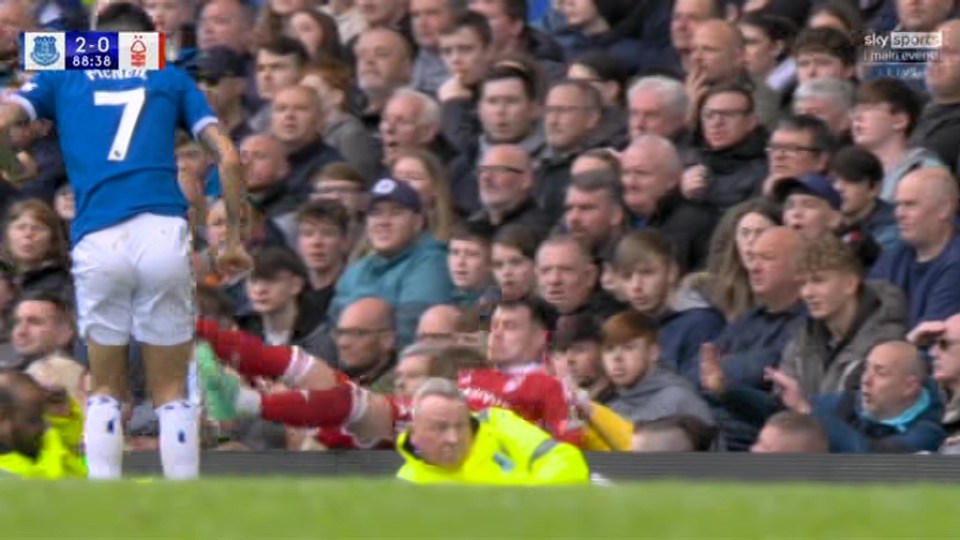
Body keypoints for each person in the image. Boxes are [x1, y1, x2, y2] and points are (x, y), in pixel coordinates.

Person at [0, 3, 249, 479]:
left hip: (99, 234)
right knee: (172, 385)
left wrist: (14, 168)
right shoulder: (169, 74)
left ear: (97, 40)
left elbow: (5, 119)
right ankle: (183, 502)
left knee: (106, 385)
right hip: (162, 230)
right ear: (144, 38)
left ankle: (104, 502)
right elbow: (231, 159)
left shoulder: (66, 67)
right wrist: (232, 239)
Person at [395, 377, 590, 485]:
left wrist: (531, 506)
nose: (453, 438)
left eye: (461, 426)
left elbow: (564, 460)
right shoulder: (408, 487)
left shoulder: (497, 422)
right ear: (415, 435)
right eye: (440, 428)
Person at [0, 370, 86, 479]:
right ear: (2, 416)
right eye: (33, 419)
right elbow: (48, 485)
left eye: (43, 417)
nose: (42, 428)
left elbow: (80, 470)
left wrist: (62, 416)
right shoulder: (7, 476)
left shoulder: (34, 447)